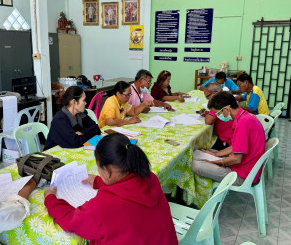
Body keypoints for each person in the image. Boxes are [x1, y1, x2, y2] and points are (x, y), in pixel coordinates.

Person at [44, 133, 178, 245]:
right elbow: (129, 188)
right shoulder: (150, 177)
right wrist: (98, 181)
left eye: (98, 167)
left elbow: (70, 221)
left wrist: (50, 198)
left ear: (107, 169)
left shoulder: (104, 205)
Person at [191, 92, 266, 186]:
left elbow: (236, 159)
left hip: (242, 175)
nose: (218, 116)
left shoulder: (242, 123)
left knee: (195, 165)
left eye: (218, 113)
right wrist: (215, 154)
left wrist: (216, 162)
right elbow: (236, 146)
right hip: (245, 166)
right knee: (206, 152)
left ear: (226, 109)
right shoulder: (244, 117)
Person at [44, 86, 101, 150]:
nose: (85, 103)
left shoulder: (80, 114)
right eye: (83, 100)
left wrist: (81, 132)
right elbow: (75, 142)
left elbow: (96, 129)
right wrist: (87, 133)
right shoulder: (59, 120)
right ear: (74, 102)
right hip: (52, 155)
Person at [199, 82, 234, 150]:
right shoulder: (228, 98)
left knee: (200, 148)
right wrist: (208, 113)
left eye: (207, 96)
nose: (207, 99)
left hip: (228, 143)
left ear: (214, 93)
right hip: (231, 139)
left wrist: (210, 113)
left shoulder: (219, 103)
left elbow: (208, 121)